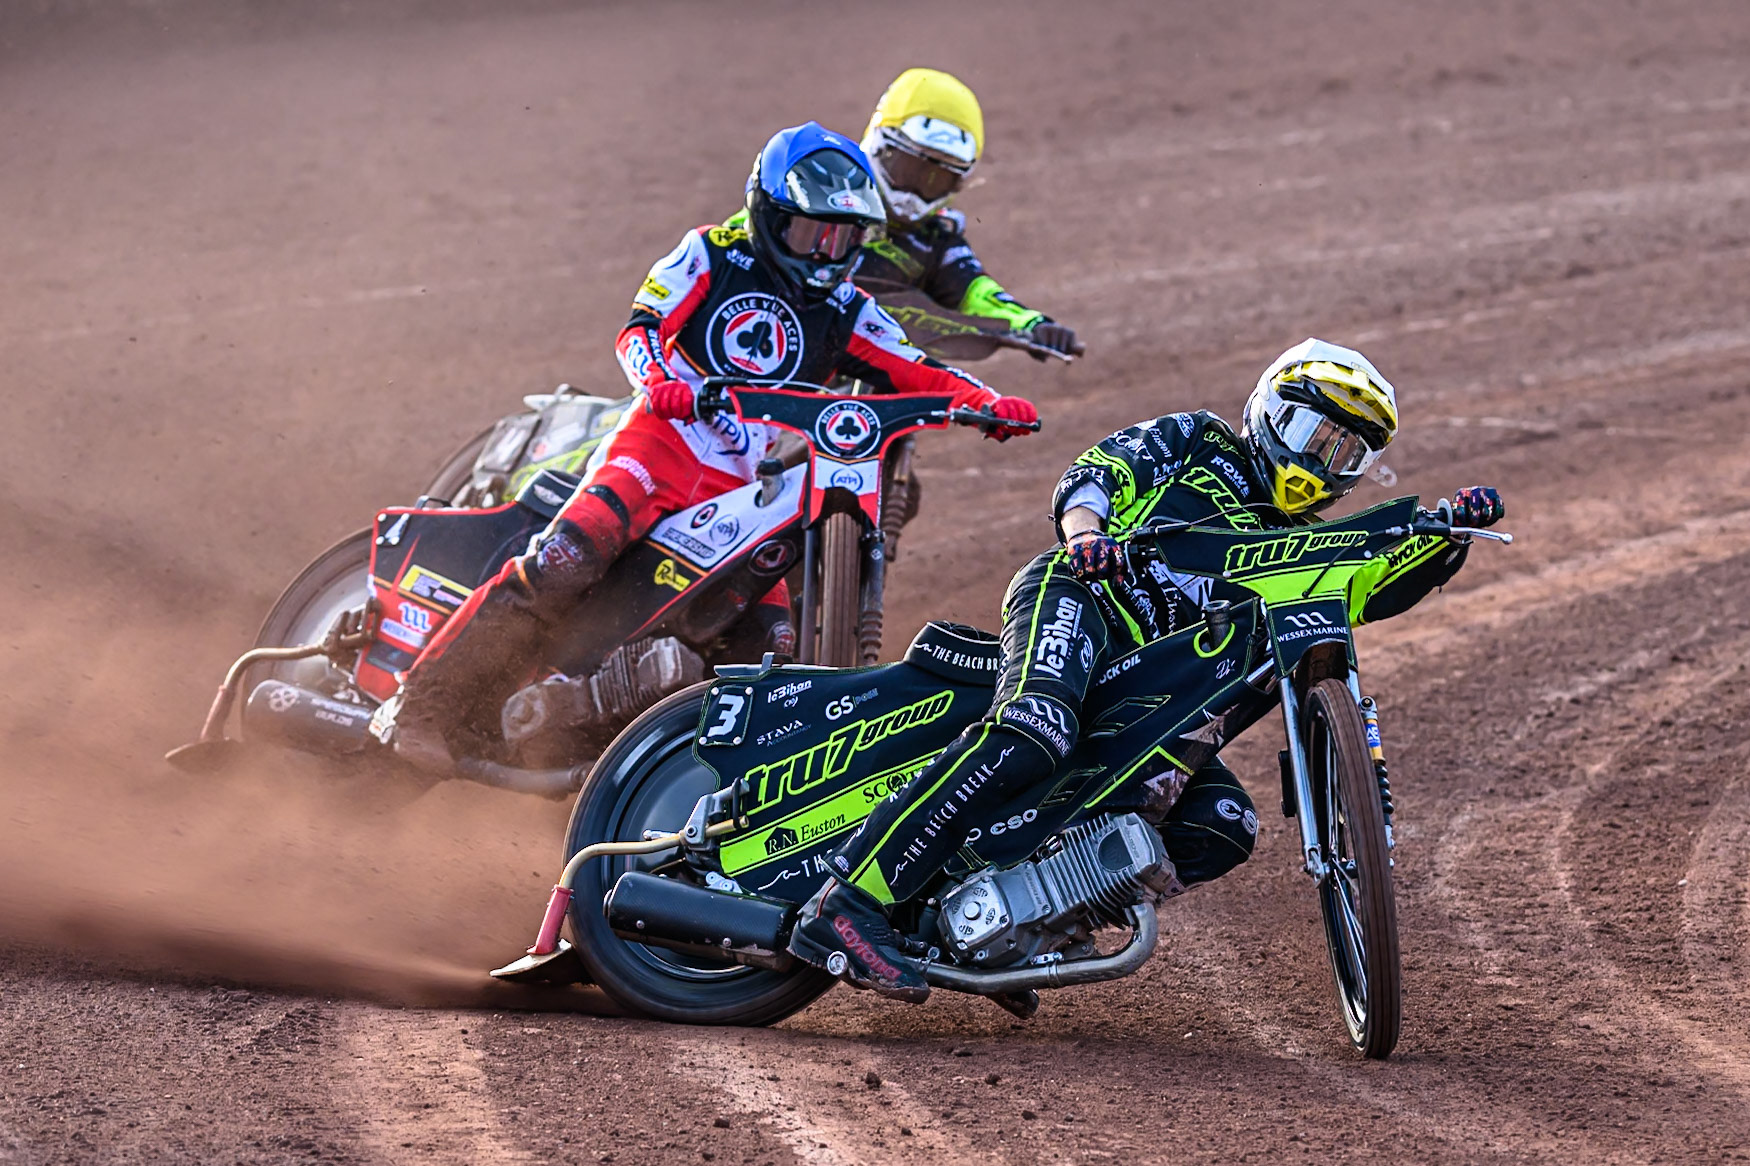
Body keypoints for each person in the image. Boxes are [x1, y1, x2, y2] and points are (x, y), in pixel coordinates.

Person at [786, 338, 1507, 1000]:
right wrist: (1087, 536)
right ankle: (849, 902)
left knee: (1224, 824)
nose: (1320, 461)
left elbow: (1371, 591)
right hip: (1081, 599)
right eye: (1310, 435)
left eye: (1345, 453)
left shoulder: (1301, 548)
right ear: (1267, 412)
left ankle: (1025, 929)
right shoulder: (1200, 441)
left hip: (1148, 698)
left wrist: (1449, 535)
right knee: (1034, 728)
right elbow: (1099, 471)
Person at [384, 122, 1039, 767]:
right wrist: (661, 381)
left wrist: (985, 403)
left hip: (741, 486)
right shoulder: (710, 254)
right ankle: (422, 704)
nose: (824, 254)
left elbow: (920, 370)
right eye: (812, 231)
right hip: (657, 446)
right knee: (566, 558)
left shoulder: (847, 308)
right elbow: (639, 330)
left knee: (773, 649)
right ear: (768, 213)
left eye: (843, 239)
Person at [723, 69, 1078, 360]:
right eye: (909, 169)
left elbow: (976, 290)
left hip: (860, 382)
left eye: (936, 180)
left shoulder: (936, 239)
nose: (914, 193)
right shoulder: (826, 192)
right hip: (756, 350)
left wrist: (1031, 323)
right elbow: (748, 233)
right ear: (879, 145)